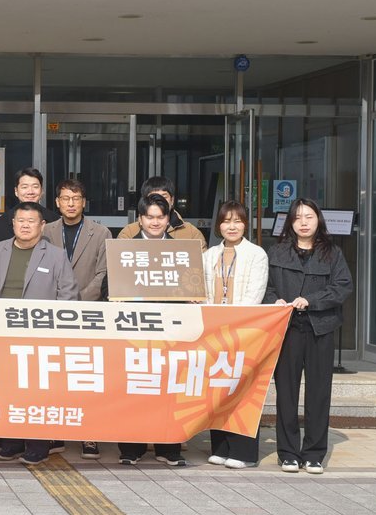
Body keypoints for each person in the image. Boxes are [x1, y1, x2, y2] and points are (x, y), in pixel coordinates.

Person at [0, 202, 78, 466]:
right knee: (7, 389)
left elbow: (68, 296)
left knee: (37, 393)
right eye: (20, 220)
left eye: (31, 221)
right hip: (1, 335)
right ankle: (11, 443)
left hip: (40, 338)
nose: (25, 225)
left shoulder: (56, 256)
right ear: (13, 223)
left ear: (42, 225)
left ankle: (38, 445)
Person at [265, 198, 353, 475]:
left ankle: (314, 453)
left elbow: (342, 286)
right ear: (290, 222)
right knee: (286, 393)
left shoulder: (332, 252)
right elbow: (265, 286)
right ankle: (288, 453)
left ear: (318, 220)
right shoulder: (277, 251)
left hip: (320, 328)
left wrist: (311, 300)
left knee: (318, 392)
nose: (303, 222)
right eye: (298, 217)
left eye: (309, 217)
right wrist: (275, 301)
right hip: (287, 328)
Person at [116, 194, 190, 467]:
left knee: (169, 389)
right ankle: (131, 447)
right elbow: (109, 286)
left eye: (160, 217)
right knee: (134, 387)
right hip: (135, 330)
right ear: (140, 220)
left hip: (170, 331)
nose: (155, 222)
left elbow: (192, 286)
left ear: (168, 220)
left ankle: (168, 447)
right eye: (150, 217)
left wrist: (192, 298)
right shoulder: (125, 249)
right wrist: (116, 297)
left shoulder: (181, 252)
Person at [40, 178, 109, 460]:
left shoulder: (101, 233)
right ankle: (55, 433)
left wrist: (77, 300)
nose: (71, 203)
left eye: (76, 198)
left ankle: (89, 435)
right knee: (55, 376)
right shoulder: (46, 231)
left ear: (84, 202)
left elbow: (103, 273)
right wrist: (60, 302)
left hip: (87, 312)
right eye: (66, 198)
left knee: (86, 376)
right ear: (57, 202)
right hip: (52, 313)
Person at [203, 201, 269, 470]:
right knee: (217, 389)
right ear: (219, 225)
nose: (232, 226)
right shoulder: (209, 255)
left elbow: (255, 294)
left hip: (244, 331)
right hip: (214, 331)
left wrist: (235, 322)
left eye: (238, 221)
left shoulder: (256, 254)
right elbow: (203, 292)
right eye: (226, 221)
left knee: (243, 391)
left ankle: (244, 452)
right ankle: (220, 447)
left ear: (245, 224)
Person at [117, 176, 207, 250]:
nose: (159, 200)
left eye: (164, 196)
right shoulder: (129, 232)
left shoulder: (191, 233)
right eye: (153, 197)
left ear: (172, 200)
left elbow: (202, 262)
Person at [0, 168, 60, 248]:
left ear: (42, 191)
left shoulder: (55, 221)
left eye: (35, 187)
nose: (30, 192)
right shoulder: (0, 224)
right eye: (24, 187)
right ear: (16, 191)